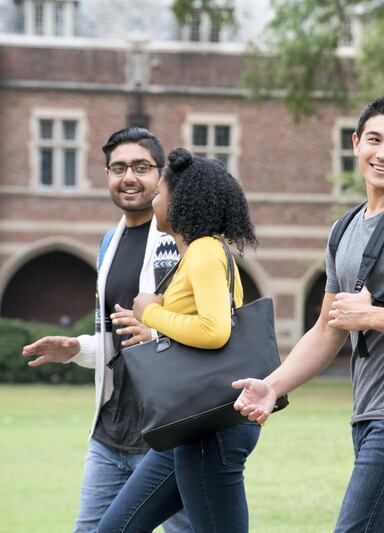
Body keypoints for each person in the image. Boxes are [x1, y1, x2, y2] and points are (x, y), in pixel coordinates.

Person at [232, 96, 384, 532]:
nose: (383, 153)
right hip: (368, 413)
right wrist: (273, 386)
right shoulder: (344, 228)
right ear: (356, 143)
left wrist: (371, 317)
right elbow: (327, 330)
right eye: (374, 140)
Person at [22, 127, 188, 533]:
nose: (128, 177)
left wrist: (159, 334)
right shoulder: (109, 243)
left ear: (161, 175)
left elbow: (212, 329)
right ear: (107, 175)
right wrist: (77, 348)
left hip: (168, 433)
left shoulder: (184, 239)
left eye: (141, 167)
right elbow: (119, 340)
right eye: (118, 168)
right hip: (111, 431)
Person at [97, 148, 260, 532]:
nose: (154, 200)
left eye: (160, 193)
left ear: (182, 199)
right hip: (188, 422)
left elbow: (214, 330)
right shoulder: (196, 254)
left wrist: (149, 312)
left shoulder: (204, 251)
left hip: (210, 424)